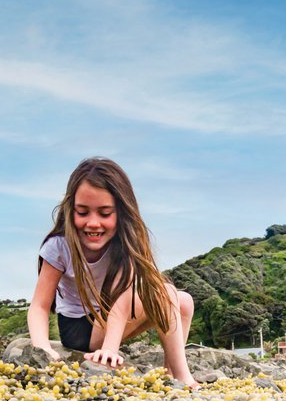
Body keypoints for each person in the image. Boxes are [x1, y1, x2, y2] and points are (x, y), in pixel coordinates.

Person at [27, 157, 198, 387]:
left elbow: (126, 297)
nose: (93, 223)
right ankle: (184, 378)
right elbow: (39, 305)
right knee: (165, 292)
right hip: (80, 329)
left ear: (121, 213)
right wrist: (43, 349)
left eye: (105, 213)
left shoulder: (125, 243)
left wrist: (111, 343)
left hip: (110, 319)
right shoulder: (60, 246)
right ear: (71, 209)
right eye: (83, 212)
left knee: (184, 301)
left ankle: (172, 372)